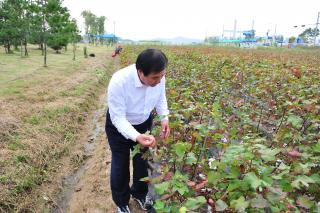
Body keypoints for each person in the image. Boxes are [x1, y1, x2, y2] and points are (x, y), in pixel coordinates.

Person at [105, 49, 170, 213]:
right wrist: (135, 136)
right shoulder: (119, 81)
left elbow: (161, 97)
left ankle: (139, 193)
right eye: (155, 78)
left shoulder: (159, 77)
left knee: (142, 161)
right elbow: (118, 117)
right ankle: (121, 202)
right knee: (120, 164)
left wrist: (164, 118)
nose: (159, 80)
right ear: (140, 72)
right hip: (118, 126)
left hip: (143, 123)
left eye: (161, 76)